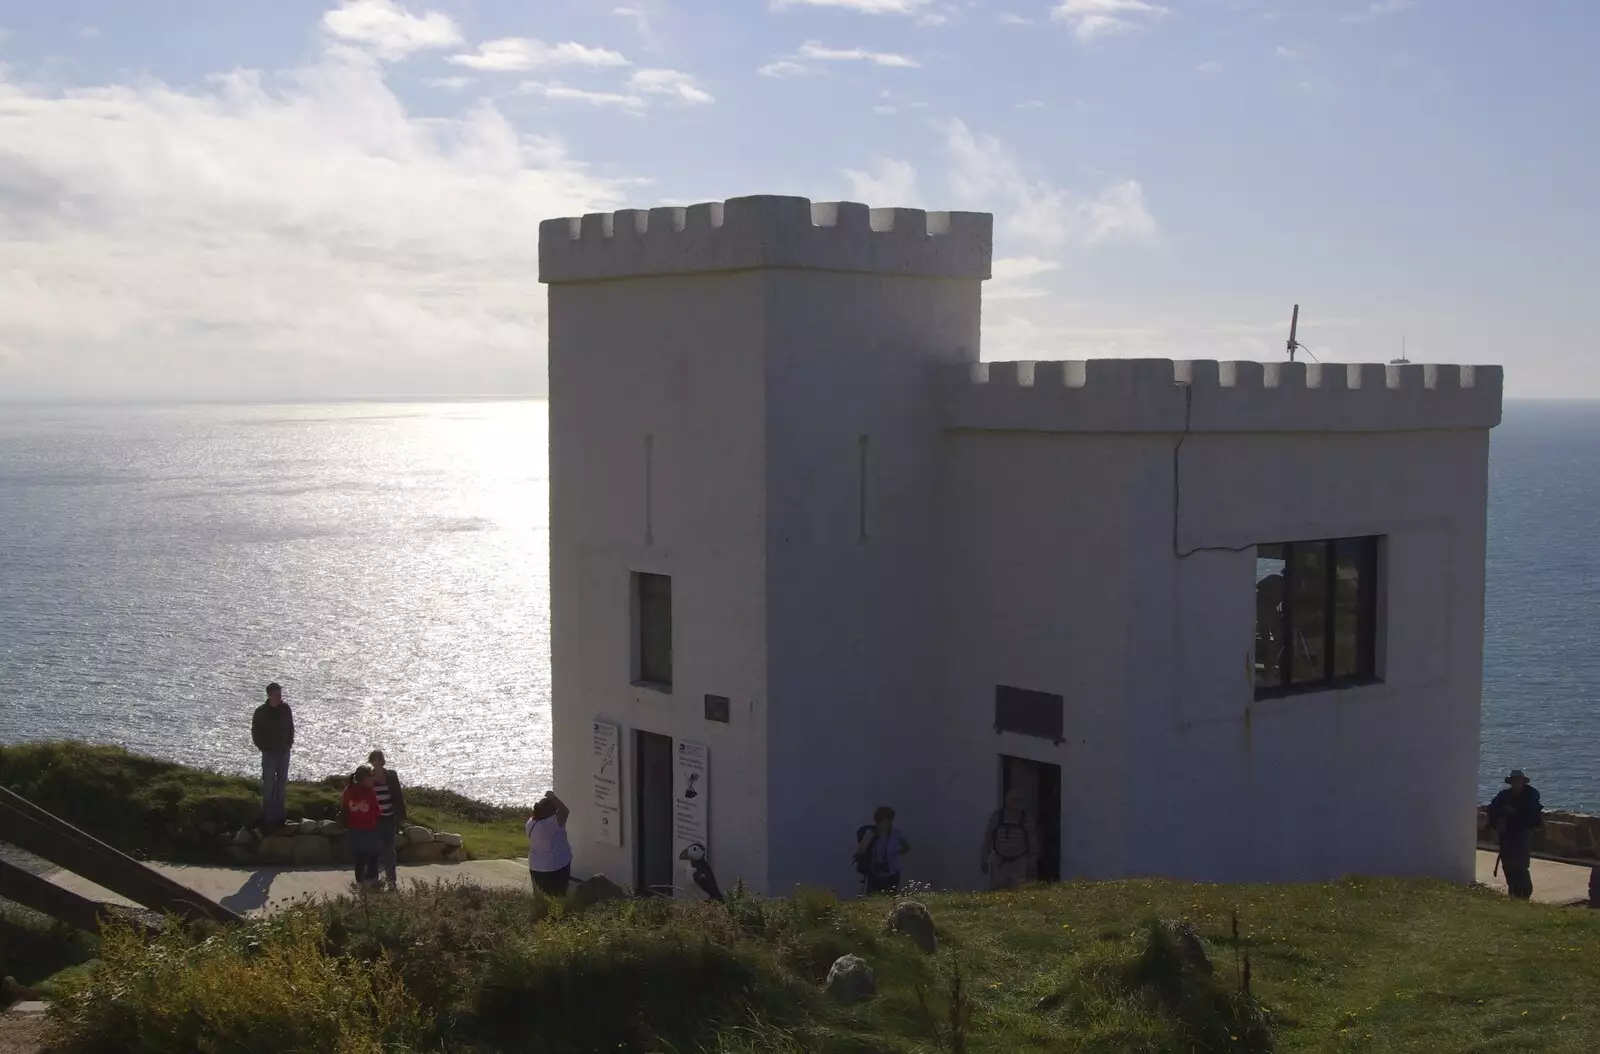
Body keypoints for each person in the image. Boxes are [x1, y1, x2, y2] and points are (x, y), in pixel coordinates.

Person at [1487, 769, 1543, 901]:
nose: (1516, 783)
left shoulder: (1530, 796)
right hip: (1506, 835)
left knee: (1520, 865)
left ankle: (1524, 893)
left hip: (1522, 834)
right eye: (1514, 781)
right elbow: (1493, 808)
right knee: (1507, 864)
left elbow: (1530, 816)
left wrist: (1514, 812)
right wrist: (1499, 818)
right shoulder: (1503, 795)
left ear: (1523, 782)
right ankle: (1513, 891)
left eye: (1519, 781)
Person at [251, 683, 294, 829]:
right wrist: (263, 748)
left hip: (283, 753)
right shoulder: (261, 712)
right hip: (269, 754)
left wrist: (289, 744)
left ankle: (280, 816)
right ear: (269, 695)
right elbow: (255, 732)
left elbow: (291, 728)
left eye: (280, 694)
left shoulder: (285, 709)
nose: (280, 697)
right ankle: (268, 817)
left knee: (281, 785)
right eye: (277, 694)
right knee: (269, 785)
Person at [980, 788, 1037, 890]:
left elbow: (1032, 842)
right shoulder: (997, 818)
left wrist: (1032, 863)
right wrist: (984, 859)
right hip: (1000, 862)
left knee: (1018, 891)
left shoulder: (1026, 820)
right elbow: (988, 840)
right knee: (996, 891)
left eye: (1017, 800)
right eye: (1012, 799)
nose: (1015, 803)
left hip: (1019, 862)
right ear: (1007, 800)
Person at [368, 750, 408, 890]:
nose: (378, 762)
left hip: (390, 818)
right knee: (375, 850)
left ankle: (392, 882)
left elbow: (398, 796)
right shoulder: (368, 777)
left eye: (380, 759)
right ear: (371, 761)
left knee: (389, 850)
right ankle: (374, 881)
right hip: (374, 820)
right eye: (375, 759)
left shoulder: (391, 775)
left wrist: (401, 816)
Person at [342, 765, 382, 892]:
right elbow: (376, 810)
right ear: (364, 779)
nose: (373, 780)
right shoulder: (369, 792)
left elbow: (344, 806)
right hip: (368, 828)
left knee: (359, 857)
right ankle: (372, 880)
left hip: (354, 828)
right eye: (371, 777)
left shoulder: (349, 790)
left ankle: (360, 882)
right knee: (373, 855)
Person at [854, 806, 910, 895]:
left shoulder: (895, 833)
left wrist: (894, 854)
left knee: (890, 898)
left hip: (892, 872)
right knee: (874, 898)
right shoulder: (871, 832)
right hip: (875, 872)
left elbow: (906, 847)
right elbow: (861, 851)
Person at [526, 791, 572, 897]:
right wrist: (553, 798)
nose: (556, 813)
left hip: (536, 866)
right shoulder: (549, 824)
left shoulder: (530, 823)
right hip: (555, 866)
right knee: (558, 897)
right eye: (554, 811)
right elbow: (565, 811)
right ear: (548, 812)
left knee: (541, 897)